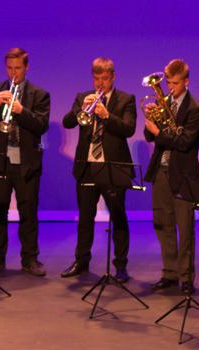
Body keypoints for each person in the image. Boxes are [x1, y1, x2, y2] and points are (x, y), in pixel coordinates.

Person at [61, 57, 136, 281]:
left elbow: (128, 129)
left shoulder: (125, 99)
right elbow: (67, 122)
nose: (100, 84)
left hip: (113, 167)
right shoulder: (83, 97)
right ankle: (81, 261)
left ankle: (120, 266)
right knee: (85, 217)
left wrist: (106, 115)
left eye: (104, 79)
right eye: (96, 79)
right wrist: (82, 109)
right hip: (88, 166)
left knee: (118, 217)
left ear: (112, 77)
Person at [0, 48, 51, 277]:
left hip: (26, 161)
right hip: (0, 160)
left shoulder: (39, 94)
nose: (13, 73)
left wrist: (20, 110)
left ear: (26, 67)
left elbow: (41, 125)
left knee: (28, 211)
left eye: (18, 68)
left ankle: (29, 258)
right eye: (10, 68)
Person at [143, 59, 199, 295]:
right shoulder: (164, 102)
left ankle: (186, 277)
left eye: (175, 83)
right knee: (163, 223)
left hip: (183, 174)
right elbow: (150, 138)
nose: (170, 87)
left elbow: (185, 142)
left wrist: (159, 132)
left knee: (185, 227)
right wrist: (150, 121)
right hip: (161, 170)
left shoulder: (195, 108)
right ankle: (169, 272)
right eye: (168, 82)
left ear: (186, 82)